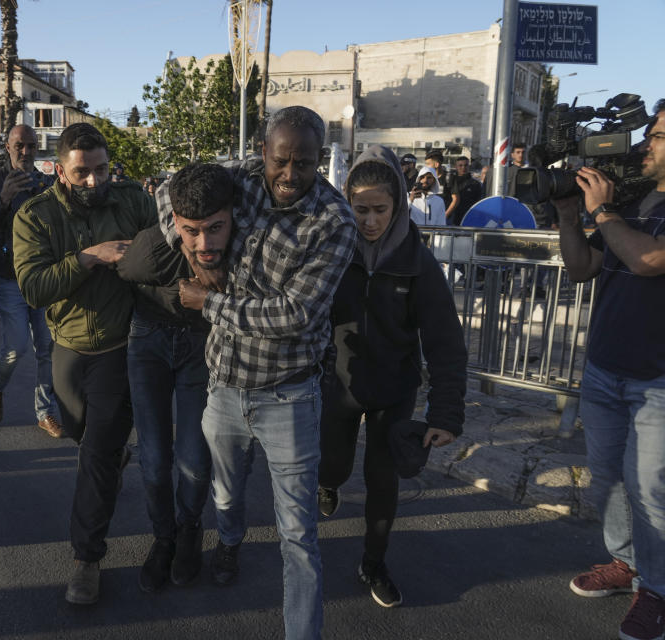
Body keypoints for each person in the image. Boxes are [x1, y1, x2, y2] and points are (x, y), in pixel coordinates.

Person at [157, 106, 356, 640]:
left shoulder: (334, 224)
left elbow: (295, 316)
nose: (291, 175)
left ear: (322, 160)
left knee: (298, 534)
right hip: (223, 386)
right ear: (262, 152)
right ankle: (229, 540)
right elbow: (166, 194)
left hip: (289, 397)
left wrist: (207, 300)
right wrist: (191, 245)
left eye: (306, 163)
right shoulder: (240, 179)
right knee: (225, 491)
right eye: (281, 160)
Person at [316, 144, 467, 608]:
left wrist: (445, 412)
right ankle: (327, 485)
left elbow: (445, 340)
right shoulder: (331, 250)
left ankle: (374, 562)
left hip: (394, 391)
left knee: (383, 481)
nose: (370, 221)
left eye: (380, 209)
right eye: (359, 209)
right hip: (338, 386)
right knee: (333, 468)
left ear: (398, 204)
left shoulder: (416, 260)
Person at [14, 122, 156, 605]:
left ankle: (87, 558)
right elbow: (33, 288)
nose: (95, 182)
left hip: (121, 350)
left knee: (94, 454)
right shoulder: (35, 215)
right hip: (69, 350)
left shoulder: (133, 200)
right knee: (81, 434)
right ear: (60, 169)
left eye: (101, 170)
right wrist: (90, 257)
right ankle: (113, 453)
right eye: (83, 174)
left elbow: (159, 258)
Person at [556, 102, 665, 640]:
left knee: (652, 492)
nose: (647, 143)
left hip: (658, 380)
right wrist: (568, 215)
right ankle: (626, 565)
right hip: (604, 368)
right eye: (650, 133)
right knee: (612, 481)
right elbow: (582, 268)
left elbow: (649, 259)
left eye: (660, 136)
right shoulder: (636, 200)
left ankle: (659, 592)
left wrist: (602, 213)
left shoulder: (623, 210)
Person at [115, 163, 230, 593]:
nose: (203, 241)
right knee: (154, 457)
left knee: (195, 458)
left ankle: (188, 529)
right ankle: (163, 536)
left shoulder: (237, 234)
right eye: (191, 231)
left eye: (213, 228)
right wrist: (185, 270)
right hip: (148, 338)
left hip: (201, 343)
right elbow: (130, 267)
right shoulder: (159, 241)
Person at [0, 124, 62, 438]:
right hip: (9, 276)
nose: (25, 152)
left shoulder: (45, 182)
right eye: (19, 146)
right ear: (7, 147)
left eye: (30, 145)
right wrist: (3, 198)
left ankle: (45, 411)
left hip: (43, 275)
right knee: (16, 348)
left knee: (48, 349)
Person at [445, 156, 484, 225]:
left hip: (468, 217)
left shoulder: (475, 184)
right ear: (456, 166)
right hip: (451, 217)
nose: (463, 168)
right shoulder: (450, 182)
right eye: (460, 165)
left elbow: (479, 202)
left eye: (466, 165)